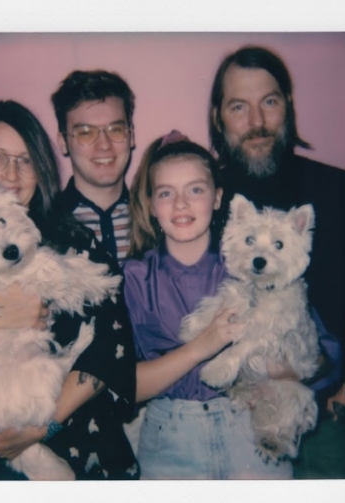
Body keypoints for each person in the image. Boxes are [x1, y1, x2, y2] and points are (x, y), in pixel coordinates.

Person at [0, 100, 139, 480]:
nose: (12, 173)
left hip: (81, 444)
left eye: (25, 160)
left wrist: (43, 427)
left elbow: (113, 343)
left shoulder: (76, 240)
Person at [208, 46, 345, 478]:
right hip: (223, 413)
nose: (256, 121)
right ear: (218, 117)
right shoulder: (202, 196)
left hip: (322, 414)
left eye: (269, 102)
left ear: (288, 106)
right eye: (239, 107)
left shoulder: (338, 189)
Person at [123, 131, 302, 479]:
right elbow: (127, 386)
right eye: (166, 193)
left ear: (218, 198)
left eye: (195, 190)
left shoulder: (255, 262)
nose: (180, 204)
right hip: (169, 437)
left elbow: (319, 355)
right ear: (152, 205)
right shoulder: (133, 278)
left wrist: (284, 367)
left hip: (251, 425)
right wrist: (203, 346)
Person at [50, 69, 135, 262]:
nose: (104, 145)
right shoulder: (45, 228)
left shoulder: (157, 219)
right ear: (63, 142)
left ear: (131, 136)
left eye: (115, 129)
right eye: (86, 133)